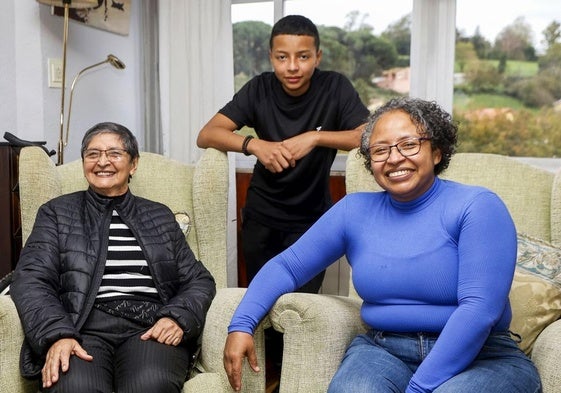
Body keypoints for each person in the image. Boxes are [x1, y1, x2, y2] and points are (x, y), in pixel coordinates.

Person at [223, 97, 542, 393]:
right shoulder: (354, 211)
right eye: (380, 150)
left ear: (437, 151)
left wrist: (419, 389)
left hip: (483, 355)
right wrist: (242, 324)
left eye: (409, 145)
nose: (394, 158)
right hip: (386, 350)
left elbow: (479, 310)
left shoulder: (477, 206)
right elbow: (287, 265)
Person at [10, 122, 216, 393]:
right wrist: (57, 335)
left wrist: (177, 317)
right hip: (80, 328)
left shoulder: (159, 216)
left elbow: (199, 280)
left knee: (149, 384)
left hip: (148, 328)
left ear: (133, 164)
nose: (102, 162)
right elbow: (31, 280)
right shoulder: (56, 213)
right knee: (76, 386)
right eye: (93, 154)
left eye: (114, 153)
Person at [197, 14, 369, 292]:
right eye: (281, 57)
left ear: (318, 57)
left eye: (303, 57)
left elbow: (369, 136)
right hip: (261, 217)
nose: (292, 67)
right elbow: (207, 134)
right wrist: (253, 145)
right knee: (263, 303)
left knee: (302, 310)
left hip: (313, 222)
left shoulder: (335, 87)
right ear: (270, 57)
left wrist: (315, 137)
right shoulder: (259, 88)